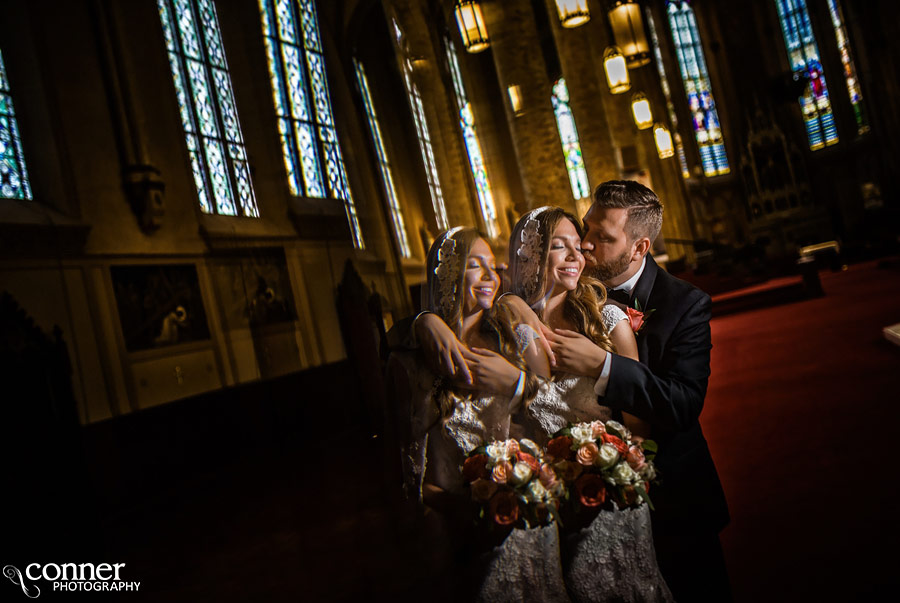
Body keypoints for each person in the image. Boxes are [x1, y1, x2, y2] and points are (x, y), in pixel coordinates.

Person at [545, 181, 731, 602]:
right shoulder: (569, 293)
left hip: (675, 502)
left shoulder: (686, 304)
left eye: (603, 237)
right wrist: (426, 317)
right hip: (594, 506)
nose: (586, 246)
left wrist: (602, 364)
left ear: (639, 248)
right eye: (586, 229)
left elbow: (682, 403)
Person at [385, 227, 568, 602]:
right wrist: (470, 506)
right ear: (448, 275)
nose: (490, 277)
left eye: (493, 266)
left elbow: (556, 416)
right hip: (466, 534)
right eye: (474, 266)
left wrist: (516, 384)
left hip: (531, 519)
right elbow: (411, 477)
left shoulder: (512, 334)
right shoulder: (414, 362)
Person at [505, 206, 673, 602]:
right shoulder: (508, 329)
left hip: (609, 494)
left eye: (576, 247)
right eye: (558, 247)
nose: (574, 256)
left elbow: (639, 422)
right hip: (545, 506)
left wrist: (613, 469)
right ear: (529, 257)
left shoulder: (606, 318)